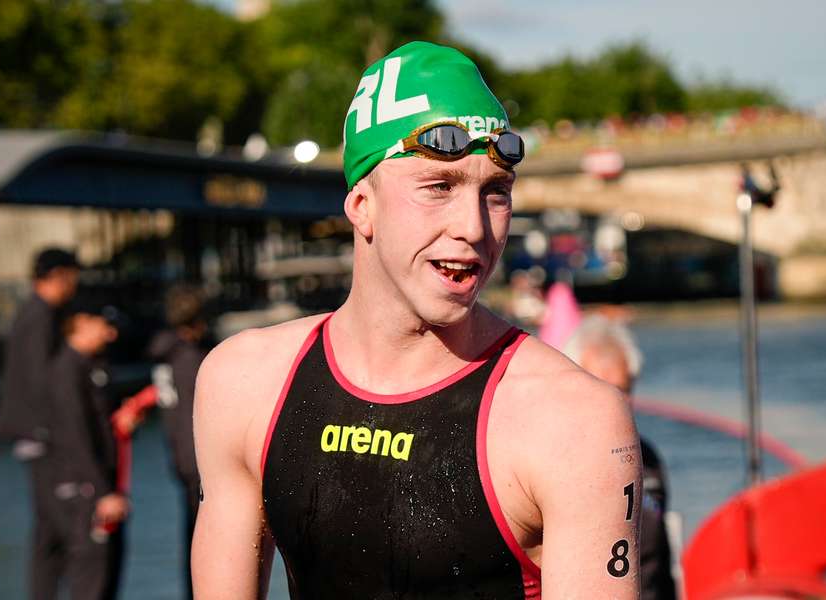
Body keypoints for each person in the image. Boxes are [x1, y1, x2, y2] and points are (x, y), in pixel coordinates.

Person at [192, 42, 641, 598]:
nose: (474, 228)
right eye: (439, 187)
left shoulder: (573, 419)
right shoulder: (242, 382)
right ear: (362, 206)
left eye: (496, 193)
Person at [564, 315, 678, 600]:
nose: (618, 402)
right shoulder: (552, 464)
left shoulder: (648, 459)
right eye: (605, 389)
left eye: (625, 389)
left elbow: (662, 563)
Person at [0, 247, 80, 599]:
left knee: (47, 532)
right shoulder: (42, 316)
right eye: (73, 276)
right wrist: (58, 431)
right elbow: (41, 379)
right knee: (64, 527)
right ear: (59, 275)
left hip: (32, 433)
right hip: (42, 435)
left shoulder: (31, 312)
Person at [45, 297, 128, 599]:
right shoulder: (66, 371)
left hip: (103, 489)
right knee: (91, 582)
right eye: (104, 325)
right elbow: (74, 436)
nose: (111, 334)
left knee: (107, 578)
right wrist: (101, 492)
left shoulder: (92, 365)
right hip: (85, 495)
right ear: (81, 322)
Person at [146, 284, 208, 599]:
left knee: (193, 539)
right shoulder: (191, 359)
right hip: (198, 461)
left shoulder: (164, 356)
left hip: (179, 457)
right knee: (208, 544)